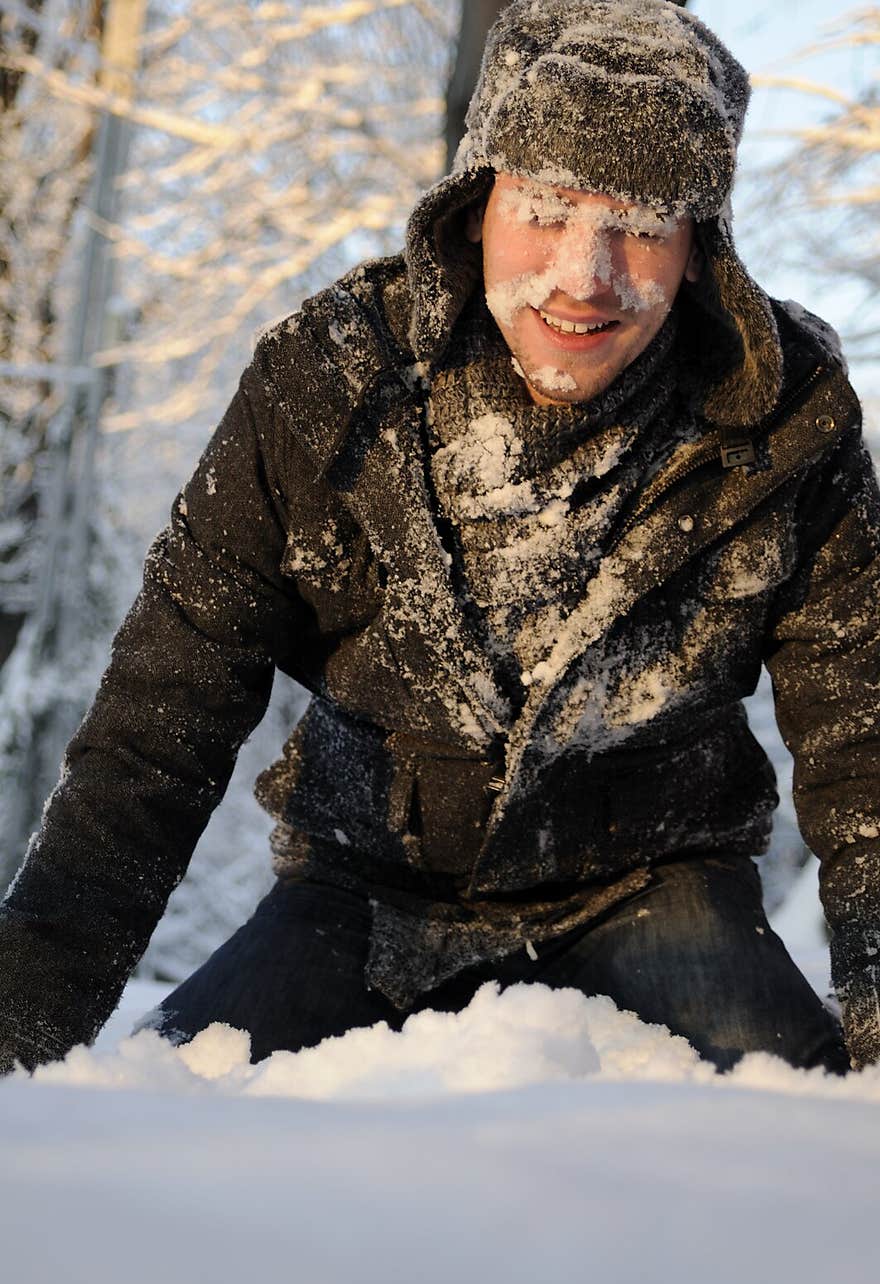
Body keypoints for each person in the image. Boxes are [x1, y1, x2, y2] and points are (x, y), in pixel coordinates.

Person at [2, 0, 878, 1077]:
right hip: (360, 894)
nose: (582, 276)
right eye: (546, 211)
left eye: (640, 225)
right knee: (160, 1114)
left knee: (806, 1136)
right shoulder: (321, 384)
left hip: (662, 886)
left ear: (699, 247)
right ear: (474, 208)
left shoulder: (789, 419)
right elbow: (154, 729)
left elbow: (862, 750)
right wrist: (23, 1040)